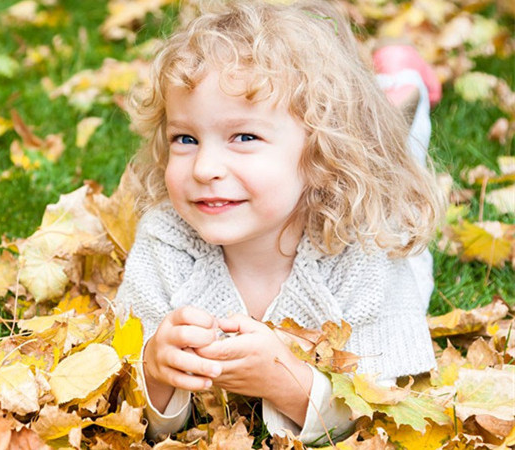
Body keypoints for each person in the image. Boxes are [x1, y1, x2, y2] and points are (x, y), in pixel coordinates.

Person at [114, 0, 444, 445]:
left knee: (401, 147)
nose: (204, 168)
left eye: (244, 137)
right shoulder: (166, 240)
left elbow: (390, 400)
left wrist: (289, 384)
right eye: (186, 138)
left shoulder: (370, 247)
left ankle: (406, 89)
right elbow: (130, 405)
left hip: (377, 210)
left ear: (321, 154)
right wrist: (155, 369)